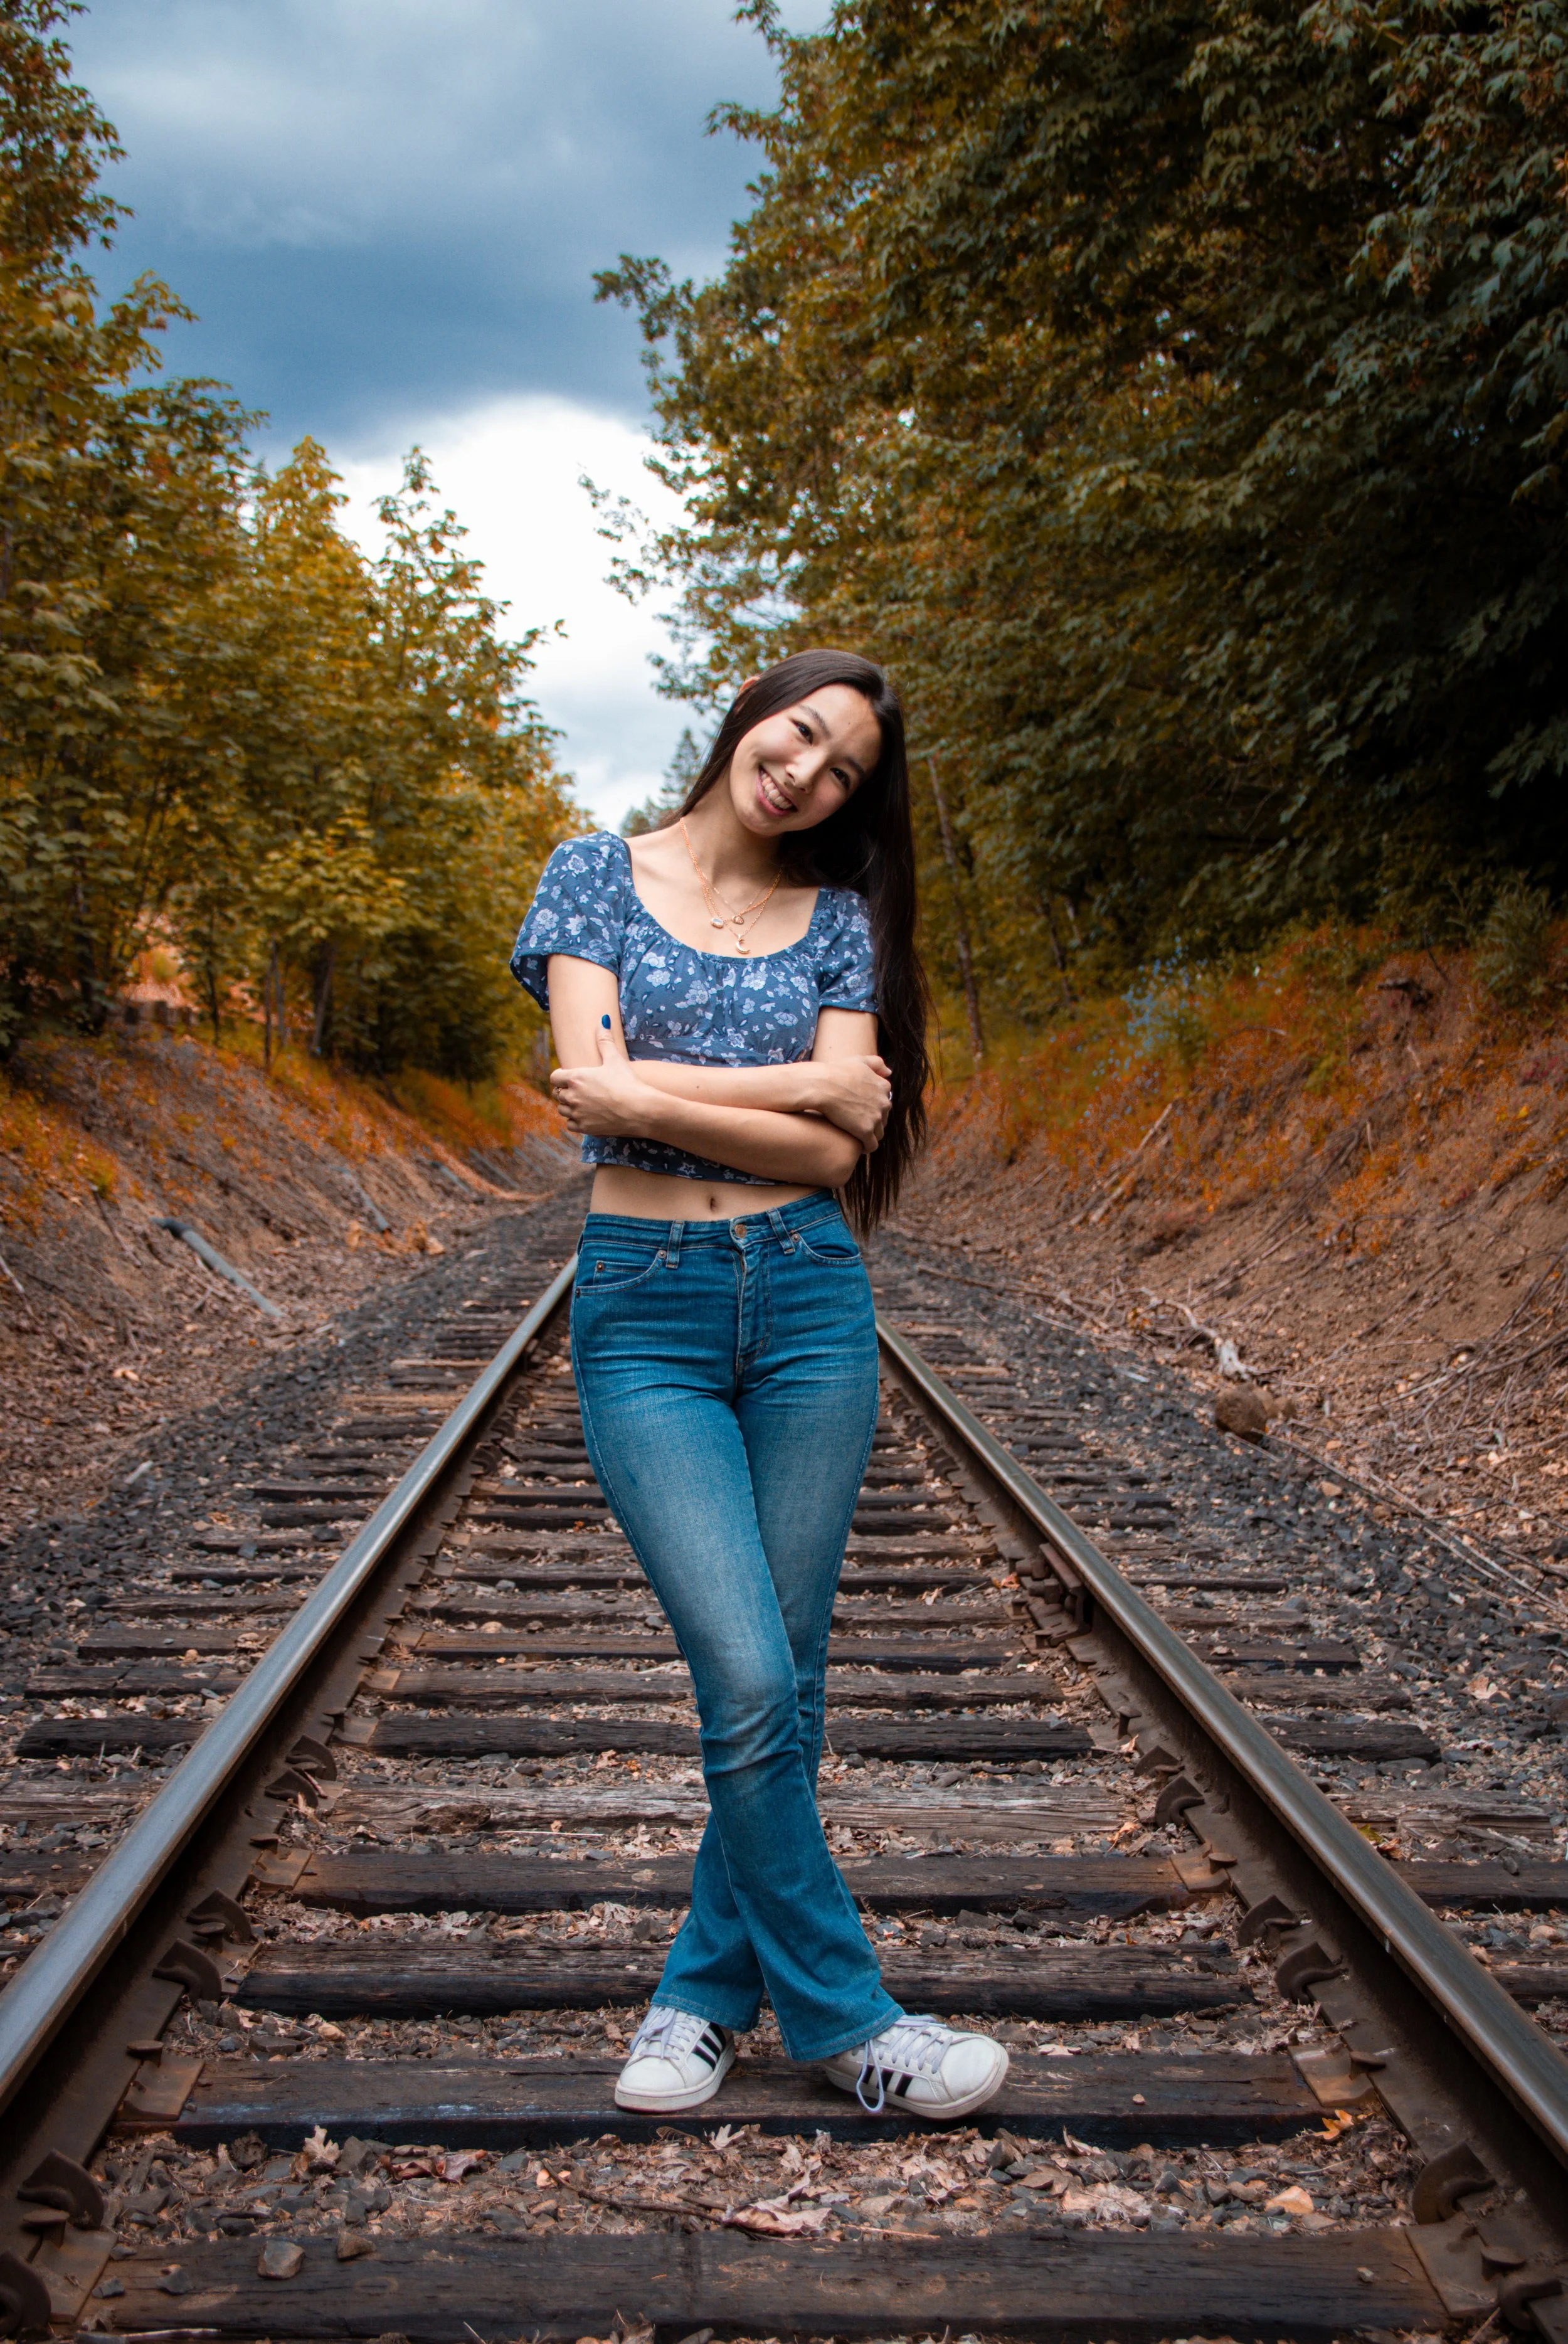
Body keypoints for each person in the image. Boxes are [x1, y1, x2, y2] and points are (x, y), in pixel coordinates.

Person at [509, 647, 1009, 2123]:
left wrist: (656, 1095)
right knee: (744, 1668)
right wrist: (792, 1083)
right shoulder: (592, 871)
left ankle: (697, 1996)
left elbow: (835, 1151)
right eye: (798, 732)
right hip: (644, 1311)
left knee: (784, 1678)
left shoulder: (838, 918)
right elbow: (581, 1088)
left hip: (804, 1300)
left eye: (841, 766)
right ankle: (854, 2023)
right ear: (749, 714)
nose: (804, 770)